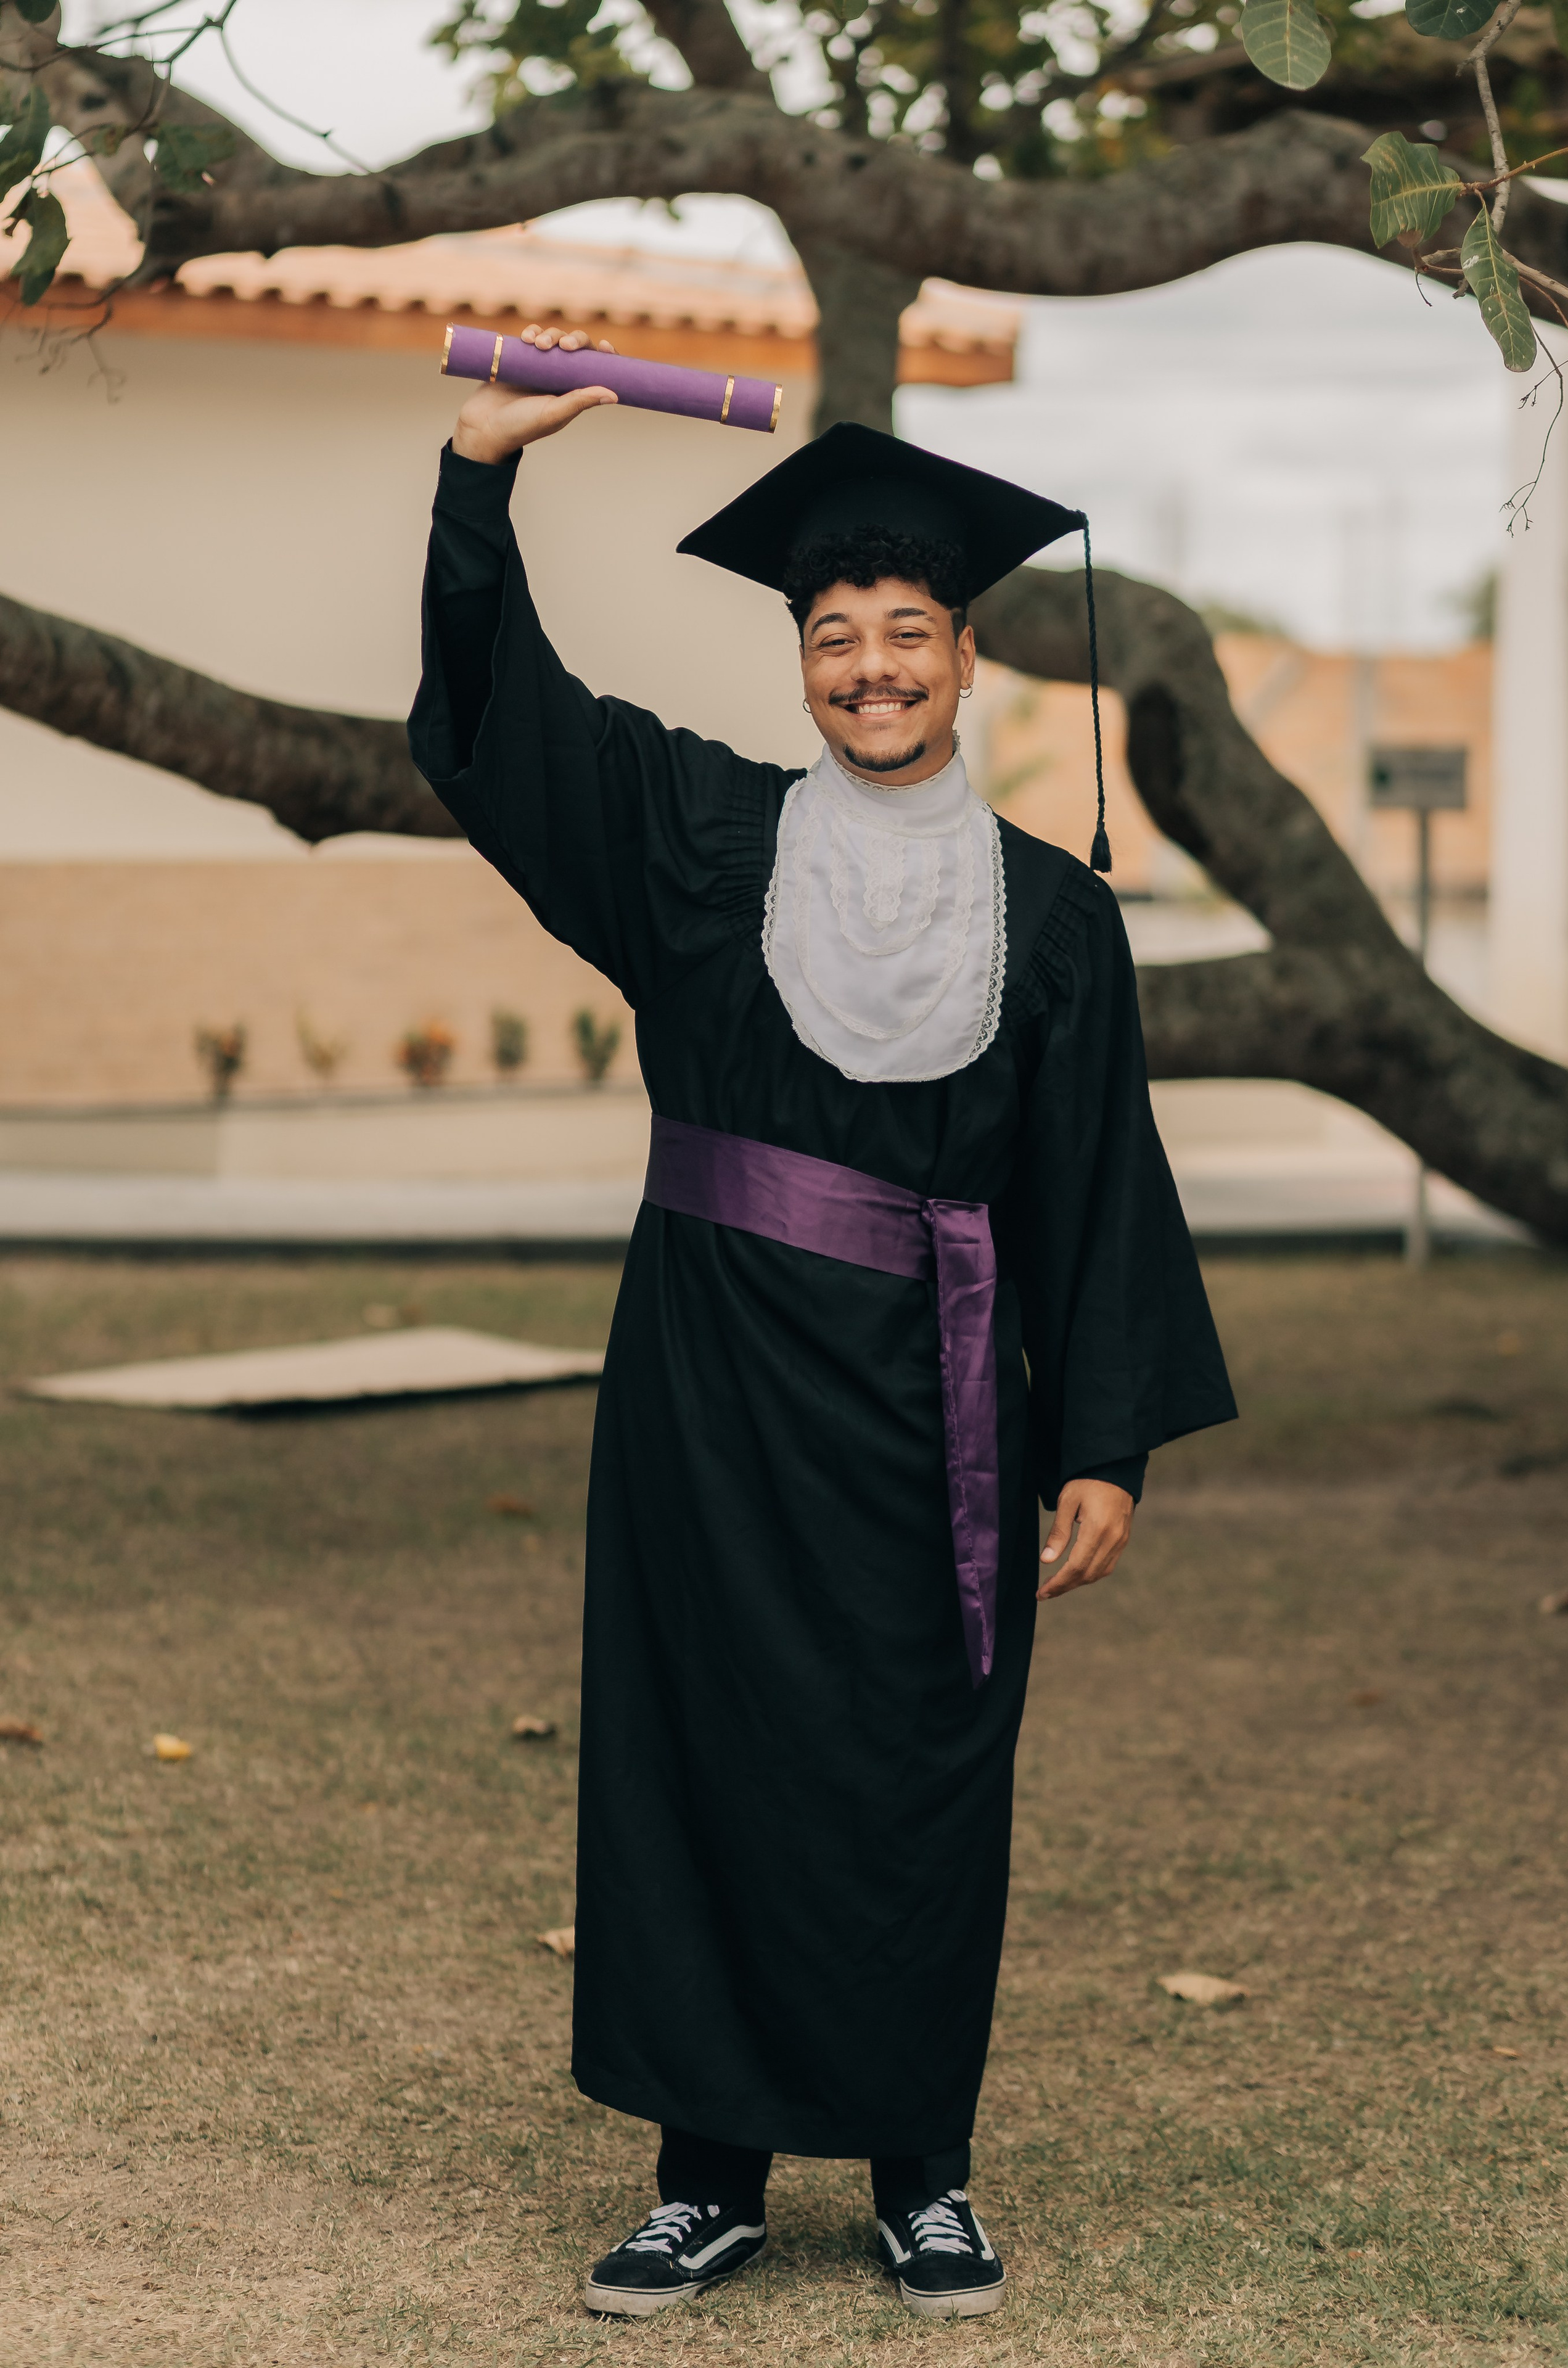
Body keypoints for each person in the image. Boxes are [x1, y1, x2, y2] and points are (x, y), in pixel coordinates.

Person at [408, 327, 1236, 2323]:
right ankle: (704, 2175)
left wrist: (1099, 1437)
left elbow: (1093, 1182)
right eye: (838, 633)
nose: (873, 665)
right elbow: (503, 725)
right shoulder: (698, 844)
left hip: (937, 1403)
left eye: (912, 630)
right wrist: (477, 480)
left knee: (918, 1763)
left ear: (968, 657)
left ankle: (921, 2171)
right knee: (705, 1744)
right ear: (801, 658)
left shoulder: (1056, 920)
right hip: (705, 1383)